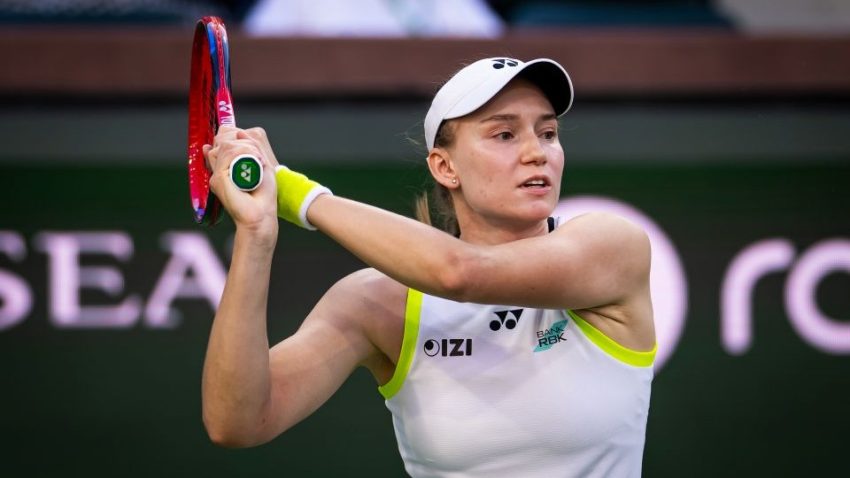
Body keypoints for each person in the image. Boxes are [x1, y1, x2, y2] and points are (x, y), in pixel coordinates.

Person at [201, 57, 657, 477]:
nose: (537, 152)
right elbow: (236, 423)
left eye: (548, 133)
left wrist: (293, 193)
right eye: (504, 134)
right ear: (445, 167)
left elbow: (459, 273)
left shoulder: (612, 246)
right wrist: (256, 233)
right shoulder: (376, 302)